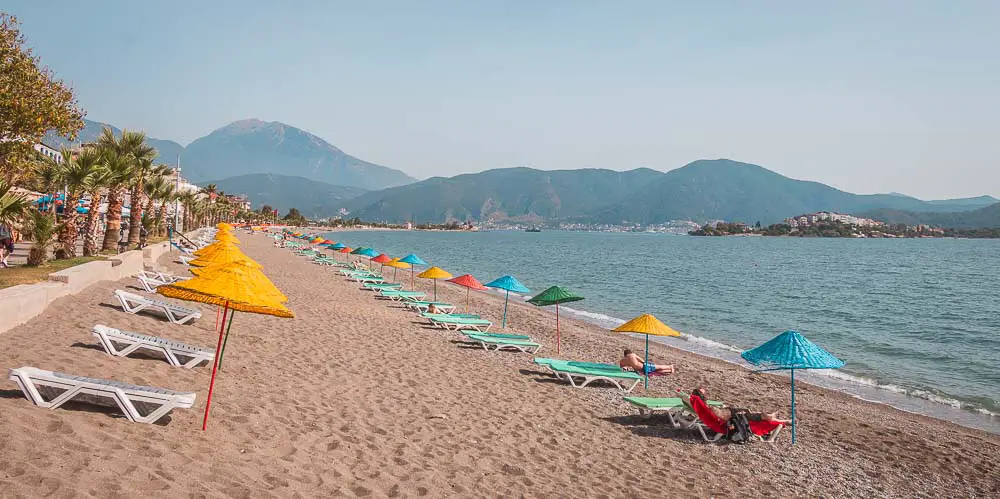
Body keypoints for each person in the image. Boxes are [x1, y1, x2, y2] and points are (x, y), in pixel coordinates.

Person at [691, 388, 790, 424]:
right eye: (705, 394)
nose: (707, 394)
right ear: (703, 397)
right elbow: (723, 417)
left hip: (732, 413)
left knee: (752, 412)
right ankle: (781, 420)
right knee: (761, 416)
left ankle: (771, 415)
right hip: (736, 418)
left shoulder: (703, 407)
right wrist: (736, 412)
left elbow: (720, 413)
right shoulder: (711, 409)